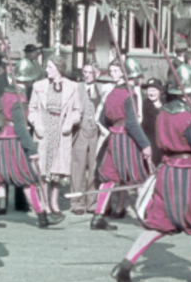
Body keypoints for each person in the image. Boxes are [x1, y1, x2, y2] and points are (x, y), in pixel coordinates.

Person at [111, 75, 191, 282]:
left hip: (167, 173)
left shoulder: (163, 114)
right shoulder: (187, 119)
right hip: (186, 177)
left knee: (158, 224)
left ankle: (124, 266)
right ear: (188, 92)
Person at [0, 57, 59, 228]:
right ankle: (42, 216)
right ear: (29, 80)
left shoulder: (4, 94)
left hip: (0, 140)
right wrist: (32, 149)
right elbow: (20, 127)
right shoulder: (20, 98)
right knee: (26, 178)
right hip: (13, 141)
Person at [90, 59, 151, 232]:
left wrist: (114, 128)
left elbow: (102, 118)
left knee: (108, 177)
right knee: (139, 177)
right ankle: (149, 217)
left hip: (113, 137)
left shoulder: (112, 93)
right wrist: (145, 144)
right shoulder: (130, 94)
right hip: (126, 138)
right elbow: (132, 123)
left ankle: (98, 216)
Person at [28, 55, 82, 218]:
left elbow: (77, 111)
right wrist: (37, 124)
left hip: (61, 131)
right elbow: (32, 109)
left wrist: (69, 123)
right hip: (44, 130)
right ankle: (43, 202)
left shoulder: (72, 86)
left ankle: (54, 202)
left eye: (50, 67)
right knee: (43, 169)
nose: (46, 70)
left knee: (57, 170)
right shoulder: (39, 86)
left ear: (59, 68)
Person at [70, 62, 106, 215]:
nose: (87, 75)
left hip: (96, 133)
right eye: (85, 72)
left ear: (97, 74)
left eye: (90, 72)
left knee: (94, 167)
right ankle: (77, 202)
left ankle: (92, 202)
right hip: (80, 131)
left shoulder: (102, 88)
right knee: (78, 167)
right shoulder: (76, 88)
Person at [140, 78, 164, 166]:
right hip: (151, 145)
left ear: (160, 91)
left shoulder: (167, 106)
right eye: (149, 90)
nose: (151, 93)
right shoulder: (143, 107)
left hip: (165, 145)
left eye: (154, 90)